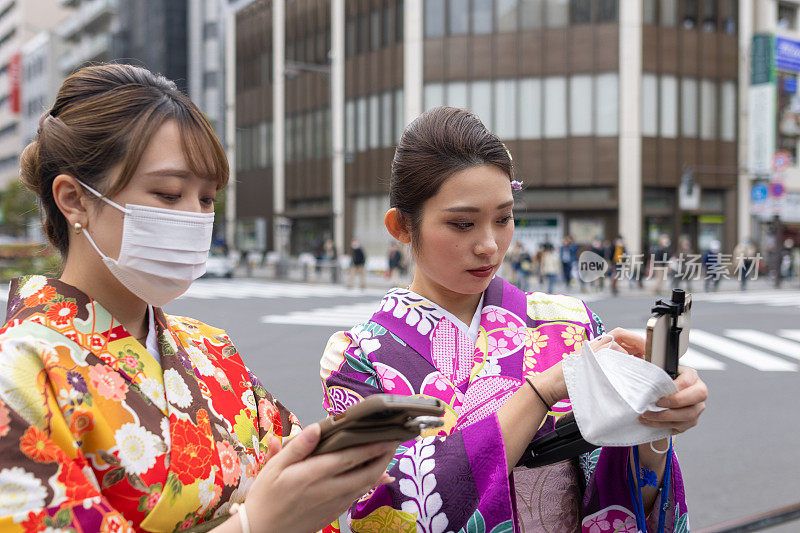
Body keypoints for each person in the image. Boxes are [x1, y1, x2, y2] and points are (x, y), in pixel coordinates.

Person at [0, 64, 397, 532]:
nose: (193, 217)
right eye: (169, 194)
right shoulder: (20, 369)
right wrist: (257, 522)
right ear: (74, 200)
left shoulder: (212, 351)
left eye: (206, 199)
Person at [319, 107, 707, 532]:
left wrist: (653, 424)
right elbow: (389, 513)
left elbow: (622, 497)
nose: (489, 245)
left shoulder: (572, 325)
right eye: (462, 224)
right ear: (401, 226)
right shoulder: (357, 359)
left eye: (503, 218)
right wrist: (542, 392)